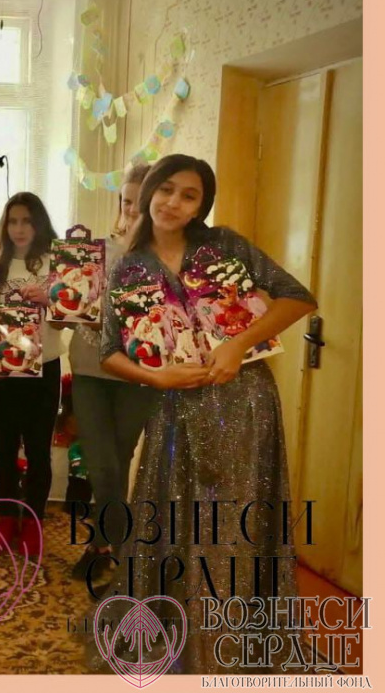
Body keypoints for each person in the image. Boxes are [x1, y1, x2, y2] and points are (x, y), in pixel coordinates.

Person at [92, 154, 318, 673]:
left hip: (244, 402)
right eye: (166, 189)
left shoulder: (225, 247)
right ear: (149, 192)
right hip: (175, 408)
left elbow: (297, 298)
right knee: (176, 523)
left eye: (189, 195)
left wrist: (238, 344)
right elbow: (109, 352)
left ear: (200, 206)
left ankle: (228, 651)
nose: (173, 202)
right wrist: (156, 378)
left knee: (231, 525)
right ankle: (179, 644)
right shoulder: (127, 268)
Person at [67, 164, 162, 584]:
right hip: (89, 368)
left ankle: (102, 546)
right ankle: (113, 545)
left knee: (117, 461)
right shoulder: (95, 252)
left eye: (140, 203)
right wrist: (57, 302)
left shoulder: (165, 259)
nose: (131, 210)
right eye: (126, 201)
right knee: (101, 462)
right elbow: (70, 309)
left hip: (138, 374)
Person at [0, 192, 64, 557]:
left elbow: (76, 317)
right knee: (3, 449)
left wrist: (50, 301)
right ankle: (7, 517)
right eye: (13, 221)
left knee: (39, 450)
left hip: (45, 369)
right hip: (2, 373)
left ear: (38, 223)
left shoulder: (58, 264)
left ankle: (32, 521)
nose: (19, 228)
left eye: (27, 220)